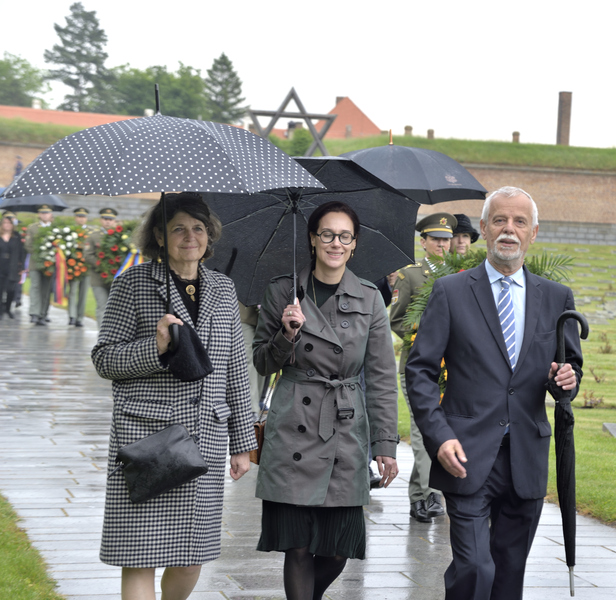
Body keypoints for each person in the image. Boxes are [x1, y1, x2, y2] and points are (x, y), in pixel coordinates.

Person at [405, 186, 583, 600]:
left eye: (520, 221)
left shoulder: (556, 298)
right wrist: (439, 436)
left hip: (526, 455)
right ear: (484, 228)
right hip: (465, 453)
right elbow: (420, 371)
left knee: (508, 575)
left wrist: (566, 379)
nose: (509, 229)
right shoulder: (450, 292)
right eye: (500, 220)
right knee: (474, 568)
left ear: (533, 232)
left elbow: (569, 368)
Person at [91, 192, 257, 600]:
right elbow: (105, 359)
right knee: (139, 555)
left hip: (205, 441)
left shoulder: (223, 288)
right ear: (160, 237)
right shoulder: (132, 284)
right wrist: (156, 347)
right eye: (178, 228)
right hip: (147, 440)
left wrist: (242, 443)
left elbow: (236, 369)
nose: (190, 236)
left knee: (190, 559)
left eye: (198, 228)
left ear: (209, 235)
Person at [253, 200, 399, 600]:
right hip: (293, 428)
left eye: (345, 236)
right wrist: (287, 334)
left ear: (354, 244)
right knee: (298, 547)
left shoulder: (370, 297)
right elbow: (262, 362)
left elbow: (382, 377)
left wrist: (385, 445)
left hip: (344, 427)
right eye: (328, 234)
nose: (336, 243)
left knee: (337, 550)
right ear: (313, 239)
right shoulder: (283, 291)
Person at [390, 212, 457, 522]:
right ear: (424, 242)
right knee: (421, 430)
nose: (442, 245)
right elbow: (397, 319)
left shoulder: (459, 275)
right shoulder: (411, 276)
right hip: (419, 366)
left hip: (450, 369)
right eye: (436, 239)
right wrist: (425, 335)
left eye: (446, 240)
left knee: (440, 428)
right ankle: (429, 494)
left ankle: (421, 496)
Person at [85, 207, 118, 327]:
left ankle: (113, 333)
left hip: (116, 277)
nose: (108, 221)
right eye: (105, 219)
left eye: (110, 219)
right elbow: (88, 255)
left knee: (115, 308)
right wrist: (101, 266)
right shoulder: (93, 236)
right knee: (102, 305)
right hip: (98, 277)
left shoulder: (119, 236)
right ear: (100, 220)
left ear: (114, 221)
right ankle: (102, 333)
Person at [24, 204, 54, 325]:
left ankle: (43, 313)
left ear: (51, 214)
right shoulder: (32, 228)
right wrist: (41, 255)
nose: (44, 215)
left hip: (50, 264)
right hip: (35, 262)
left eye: (47, 213)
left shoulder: (55, 228)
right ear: (39, 214)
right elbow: (28, 245)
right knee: (35, 287)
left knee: (46, 289)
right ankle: (34, 313)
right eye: (42, 213)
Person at [67, 207, 92, 327]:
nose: (81, 219)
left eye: (83, 217)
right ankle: (72, 316)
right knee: (72, 291)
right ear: (75, 218)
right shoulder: (70, 231)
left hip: (86, 266)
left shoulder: (91, 231)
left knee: (83, 293)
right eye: (79, 216)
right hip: (73, 265)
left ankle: (79, 317)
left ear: (86, 218)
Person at [0, 211, 25, 319]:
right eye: (5, 223)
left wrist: (22, 267)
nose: (7, 225)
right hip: (1, 265)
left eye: (9, 223)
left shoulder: (17, 236)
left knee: (11, 290)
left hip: (12, 266)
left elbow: (21, 252)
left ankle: (8, 309)